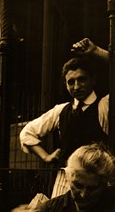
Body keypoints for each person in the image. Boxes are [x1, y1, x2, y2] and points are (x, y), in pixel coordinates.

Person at [19, 38, 109, 197]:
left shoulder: (104, 105)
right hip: (65, 181)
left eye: (82, 79)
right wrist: (46, 156)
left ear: (93, 79)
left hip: (95, 181)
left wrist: (96, 52)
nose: (76, 87)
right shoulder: (61, 111)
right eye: (71, 82)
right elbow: (27, 133)